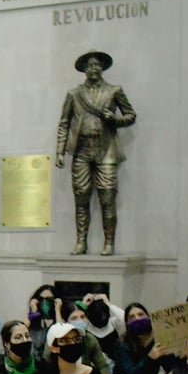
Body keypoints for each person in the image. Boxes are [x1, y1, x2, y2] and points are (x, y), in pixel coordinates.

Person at [55, 50, 137, 256]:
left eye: (97, 65)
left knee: (107, 197)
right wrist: (60, 151)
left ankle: (109, 243)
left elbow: (130, 115)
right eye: (90, 65)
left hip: (106, 150)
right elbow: (64, 123)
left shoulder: (114, 91)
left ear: (102, 68)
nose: (94, 68)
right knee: (81, 197)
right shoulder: (74, 94)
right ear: (84, 69)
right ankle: (81, 241)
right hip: (81, 151)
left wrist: (115, 120)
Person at [116, 302, 184, 374]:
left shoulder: (158, 339)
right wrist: (150, 358)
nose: (137, 319)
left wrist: (183, 355)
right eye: (132, 317)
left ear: (148, 316)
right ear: (127, 322)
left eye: (140, 314)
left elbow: (170, 369)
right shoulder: (123, 343)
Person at [26, 284, 58, 359]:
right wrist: (33, 311)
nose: (44, 302)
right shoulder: (33, 322)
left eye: (49, 299)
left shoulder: (60, 320)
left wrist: (57, 310)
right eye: (41, 299)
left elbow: (61, 331)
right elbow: (21, 331)